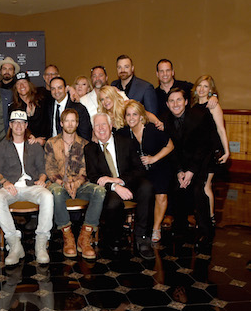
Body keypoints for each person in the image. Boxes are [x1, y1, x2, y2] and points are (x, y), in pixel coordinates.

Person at [84, 113, 154, 259]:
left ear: (110, 126)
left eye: (104, 124)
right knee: (113, 202)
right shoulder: (90, 149)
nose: (101, 128)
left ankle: (142, 237)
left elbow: (139, 169)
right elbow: (93, 177)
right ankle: (114, 236)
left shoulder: (126, 142)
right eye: (97, 125)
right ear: (93, 129)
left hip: (128, 181)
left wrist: (119, 181)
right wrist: (114, 186)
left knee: (147, 187)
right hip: (109, 189)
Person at [0, 110, 53, 265]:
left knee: (47, 196)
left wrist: (42, 179)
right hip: (11, 186)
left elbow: (43, 169)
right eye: (15, 122)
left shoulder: (34, 146)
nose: (18, 125)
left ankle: (41, 242)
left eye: (22, 122)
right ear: (10, 125)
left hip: (31, 186)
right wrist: (5, 182)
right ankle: (14, 244)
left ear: (26, 125)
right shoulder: (1, 147)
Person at [45, 108, 105, 260]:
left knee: (99, 191)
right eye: (67, 120)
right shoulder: (51, 143)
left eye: (73, 121)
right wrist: (62, 183)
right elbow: (50, 170)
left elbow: (86, 168)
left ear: (77, 123)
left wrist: (77, 182)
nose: (70, 124)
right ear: (61, 123)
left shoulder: (85, 144)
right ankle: (67, 235)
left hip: (80, 183)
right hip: (59, 184)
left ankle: (85, 236)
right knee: (56, 192)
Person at [164, 88, 215, 250]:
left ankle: (206, 231)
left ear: (186, 102)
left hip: (200, 162)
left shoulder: (200, 117)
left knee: (198, 191)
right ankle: (180, 227)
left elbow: (203, 147)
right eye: (171, 101)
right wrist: (179, 171)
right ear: (167, 104)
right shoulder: (164, 120)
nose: (175, 104)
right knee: (176, 188)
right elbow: (169, 148)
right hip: (179, 162)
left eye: (179, 100)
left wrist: (191, 172)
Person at [122, 100, 174, 243]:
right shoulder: (124, 133)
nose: (131, 118)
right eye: (128, 115)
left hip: (159, 166)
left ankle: (156, 228)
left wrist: (153, 159)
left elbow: (170, 146)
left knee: (161, 195)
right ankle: (135, 222)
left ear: (141, 116)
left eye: (135, 114)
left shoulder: (152, 129)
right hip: (139, 172)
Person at [191, 75, 229, 226]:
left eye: (206, 87)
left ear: (211, 90)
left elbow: (221, 129)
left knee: (206, 185)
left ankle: (211, 217)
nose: (202, 89)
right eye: (200, 85)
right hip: (198, 152)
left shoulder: (213, 105)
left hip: (210, 151)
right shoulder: (193, 106)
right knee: (198, 185)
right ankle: (201, 214)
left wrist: (227, 151)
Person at [98, 85, 163, 132]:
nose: (105, 102)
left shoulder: (126, 105)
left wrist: (157, 122)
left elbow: (146, 114)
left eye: (107, 97)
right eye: (102, 99)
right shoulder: (104, 116)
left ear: (113, 96)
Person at [10, 72, 49, 146]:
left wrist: (70, 89)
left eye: (24, 82)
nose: (22, 85)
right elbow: (15, 128)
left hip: (48, 142)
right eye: (18, 83)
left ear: (29, 84)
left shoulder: (42, 96)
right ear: (15, 88)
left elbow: (57, 94)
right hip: (28, 144)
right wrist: (29, 136)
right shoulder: (14, 107)